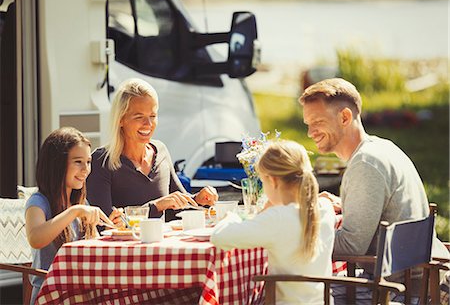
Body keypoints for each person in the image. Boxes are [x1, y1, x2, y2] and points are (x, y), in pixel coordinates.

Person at [298, 77, 449, 303]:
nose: (310, 132)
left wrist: (299, 235)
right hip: (417, 279)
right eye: (307, 124)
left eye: (317, 121)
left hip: (397, 291)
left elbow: (350, 247)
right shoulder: (383, 148)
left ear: (345, 117)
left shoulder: (365, 164)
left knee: (295, 294)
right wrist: (345, 203)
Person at [211, 140, 336, 305]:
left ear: (273, 181)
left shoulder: (278, 218)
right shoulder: (326, 208)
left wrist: (231, 215)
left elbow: (219, 237)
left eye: (263, 181)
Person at [87, 78, 218, 221]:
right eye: (139, 117)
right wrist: (157, 206)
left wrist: (199, 200)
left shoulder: (160, 151)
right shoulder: (101, 162)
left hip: (160, 242)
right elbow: (104, 222)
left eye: (152, 116)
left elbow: (179, 207)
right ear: (121, 119)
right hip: (125, 243)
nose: (148, 124)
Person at [25, 127, 116, 305]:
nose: (86, 170)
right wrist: (74, 211)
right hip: (51, 295)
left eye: (88, 162)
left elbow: (94, 248)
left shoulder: (81, 203)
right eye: (78, 162)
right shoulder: (38, 202)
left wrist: (113, 229)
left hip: (80, 293)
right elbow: (35, 238)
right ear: (57, 163)